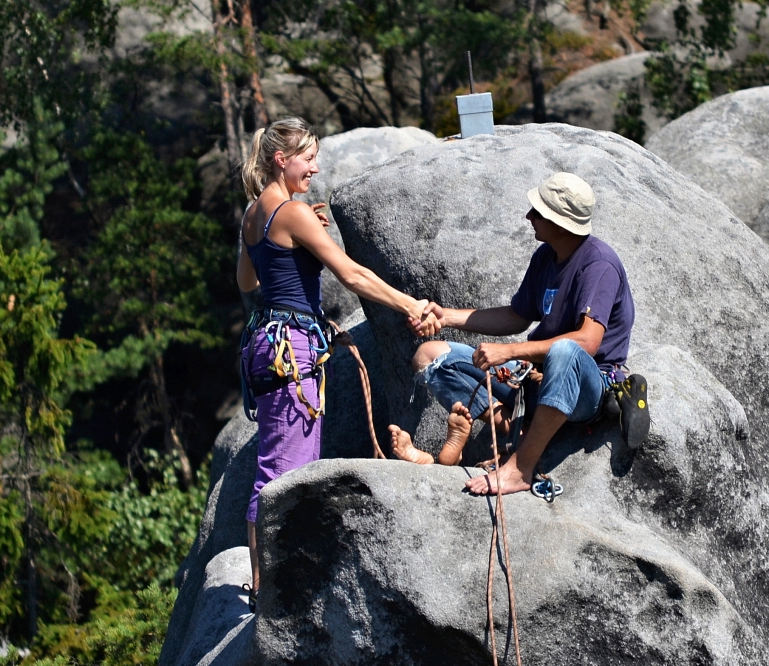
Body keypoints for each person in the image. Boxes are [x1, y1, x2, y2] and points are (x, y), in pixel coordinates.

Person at [236, 117, 437, 609]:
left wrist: (298, 241)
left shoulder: (253, 213)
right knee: (286, 472)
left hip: (264, 342)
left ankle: (264, 582)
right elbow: (351, 274)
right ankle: (269, 593)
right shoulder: (292, 211)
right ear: (282, 160)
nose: (315, 167)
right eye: (308, 158)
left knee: (275, 462)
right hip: (292, 350)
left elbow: (248, 282)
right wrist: (408, 304)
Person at [390, 172, 647, 496]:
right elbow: (517, 316)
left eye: (537, 212)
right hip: (535, 375)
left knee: (565, 351)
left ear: (560, 221)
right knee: (430, 357)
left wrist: (510, 352)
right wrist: (447, 317)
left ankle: (520, 468)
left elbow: (587, 341)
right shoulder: (546, 257)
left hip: (585, 384)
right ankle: (510, 425)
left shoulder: (598, 265)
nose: (529, 217)